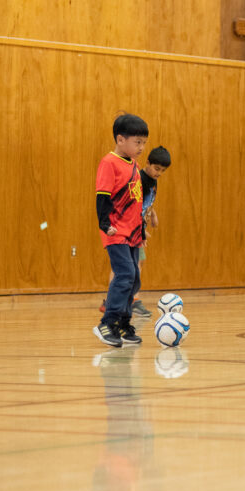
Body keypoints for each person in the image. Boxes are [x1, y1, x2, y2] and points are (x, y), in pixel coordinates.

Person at [93, 113, 149, 348]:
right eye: (138, 142)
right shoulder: (109, 162)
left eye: (144, 142)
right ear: (120, 139)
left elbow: (136, 201)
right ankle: (108, 322)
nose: (142, 147)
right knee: (125, 274)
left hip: (133, 233)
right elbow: (102, 196)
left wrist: (142, 230)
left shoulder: (133, 164)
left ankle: (124, 323)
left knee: (134, 278)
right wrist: (105, 224)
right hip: (115, 232)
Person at [96, 146, 170, 319]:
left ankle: (129, 298)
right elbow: (133, 203)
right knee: (125, 266)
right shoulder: (140, 178)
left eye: (162, 171)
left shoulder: (152, 180)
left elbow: (146, 201)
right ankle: (115, 301)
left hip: (136, 229)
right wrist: (140, 229)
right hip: (129, 229)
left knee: (136, 263)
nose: (159, 173)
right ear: (148, 163)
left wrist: (152, 215)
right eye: (156, 168)